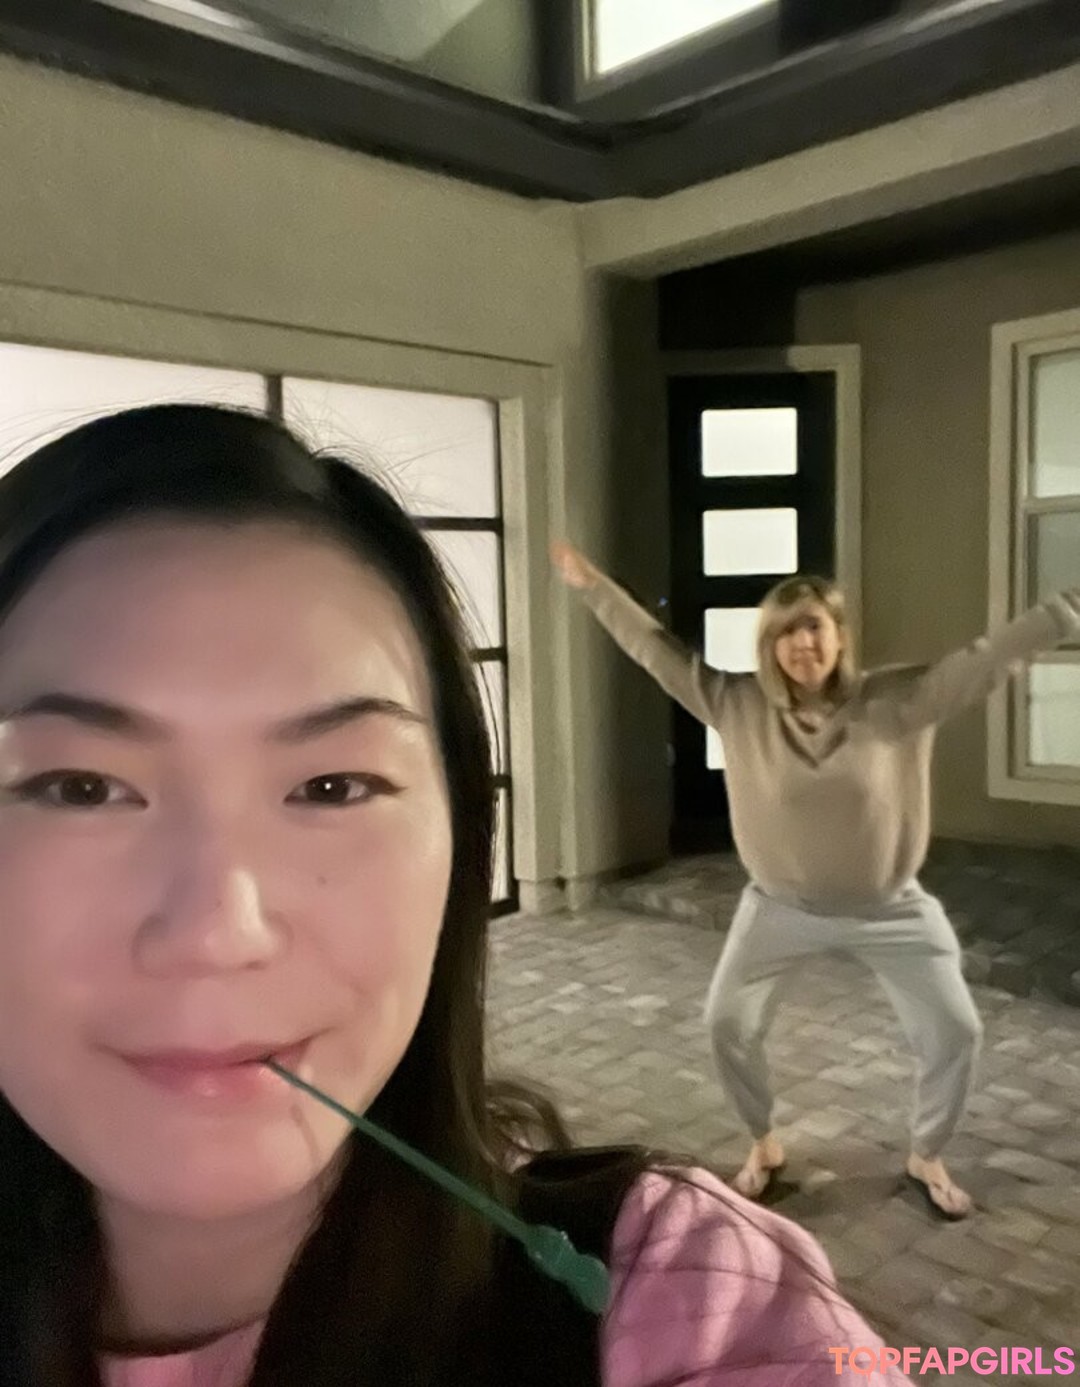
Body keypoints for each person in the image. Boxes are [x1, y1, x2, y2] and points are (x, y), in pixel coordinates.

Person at [0, 404, 910, 1387]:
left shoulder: (684, 1300)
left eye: (332, 786)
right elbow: (661, 655)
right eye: (77, 787)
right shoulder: (737, 700)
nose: (220, 929)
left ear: (459, 839)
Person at [552, 543, 1080, 1220]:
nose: (802, 643)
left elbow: (987, 659)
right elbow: (654, 650)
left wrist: (1067, 608)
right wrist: (592, 585)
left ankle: (926, 1153)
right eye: (786, 631)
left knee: (956, 1030)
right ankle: (764, 1142)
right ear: (769, 645)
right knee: (727, 1022)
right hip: (779, 907)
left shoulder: (898, 699)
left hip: (890, 909)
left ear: (839, 635)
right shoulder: (736, 703)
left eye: (814, 626)